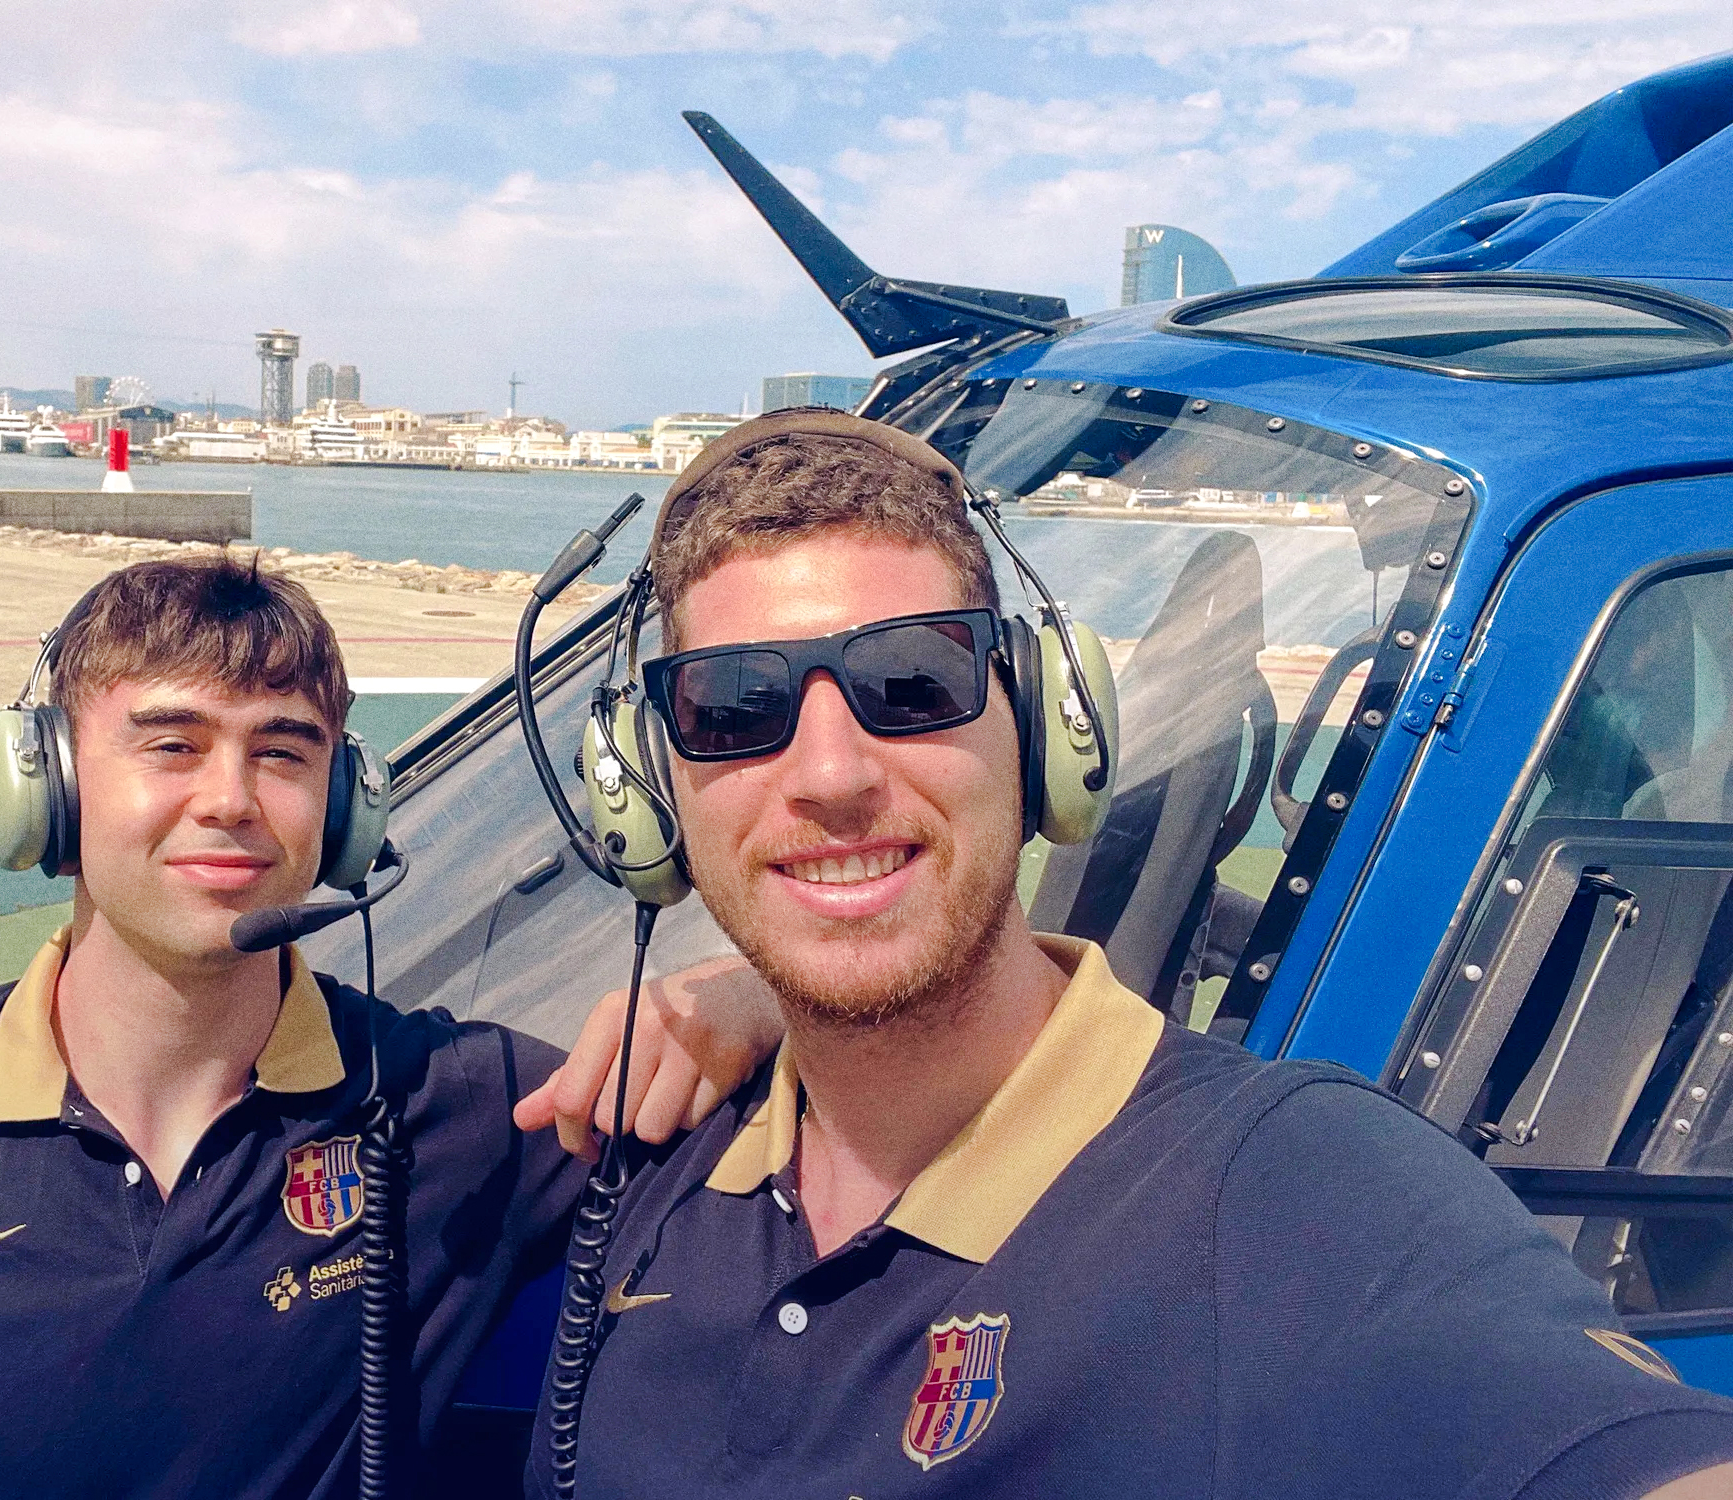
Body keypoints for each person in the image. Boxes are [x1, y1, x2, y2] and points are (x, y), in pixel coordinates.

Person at [536, 409, 1733, 1499]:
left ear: (1048, 725)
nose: (835, 774)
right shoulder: (640, 1147)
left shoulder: (1300, 1196)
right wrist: (761, 983)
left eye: (914, 682)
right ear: (651, 791)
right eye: (736, 708)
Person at [0, 555, 776, 1500]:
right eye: (171, 744)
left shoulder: (454, 1104)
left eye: (282, 753)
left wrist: (755, 993)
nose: (230, 798)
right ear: (47, 787)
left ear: (342, 810)